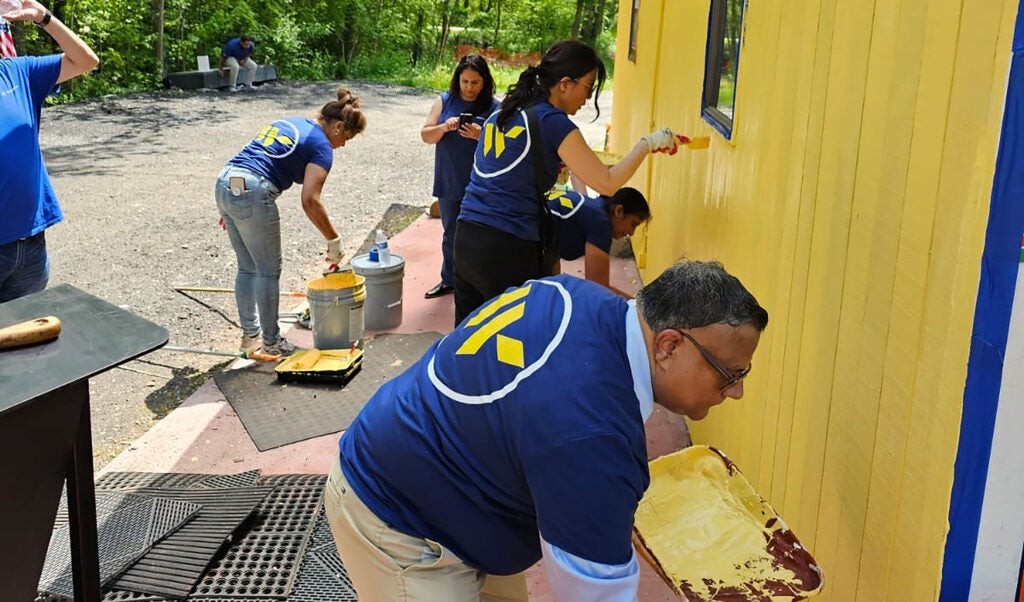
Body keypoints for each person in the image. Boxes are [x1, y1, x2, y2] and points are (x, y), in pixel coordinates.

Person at [324, 259, 768, 601]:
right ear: (669, 345)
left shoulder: (576, 294)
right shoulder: (592, 436)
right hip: (398, 517)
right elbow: (596, 595)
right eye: (728, 373)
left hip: (437, 467)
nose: (737, 392)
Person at [453, 39, 680, 324]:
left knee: (466, 343)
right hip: (506, 245)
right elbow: (608, 184)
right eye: (588, 86)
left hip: (466, 238)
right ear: (565, 84)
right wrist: (647, 144)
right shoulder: (552, 122)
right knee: (516, 345)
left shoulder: (506, 111)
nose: (588, 98)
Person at [215, 87, 366, 356]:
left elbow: (251, 160)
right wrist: (334, 240)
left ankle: (251, 337)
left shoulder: (290, 122)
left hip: (227, 182)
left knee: (248, 268)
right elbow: (310, 200)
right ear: (338, 126)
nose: (343, 144)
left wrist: (234, 204)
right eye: (347, 137)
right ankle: (273, 343)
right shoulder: (321, 147)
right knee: (268, 271)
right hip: (253, 190)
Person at [0, 0, 98, 303]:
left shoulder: (18, 71)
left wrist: (44, 17)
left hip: (30, 243)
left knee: (23, 341)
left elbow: (85, 60)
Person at [420, 53, 499, 300]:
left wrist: (481, 134)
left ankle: (480, 283)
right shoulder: (444, 101)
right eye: (465, 81)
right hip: (449, 178)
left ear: (484, 82)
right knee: (451, 233)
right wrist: (444, 127)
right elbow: (426, 135)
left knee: (482, 234)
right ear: (458, 79)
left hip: (482, 182)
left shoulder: (495, 107)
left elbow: (506, 145)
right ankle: (449, 280)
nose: (469, 88)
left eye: (475, 82)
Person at [546, 186, 651, 298]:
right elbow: (597, 288)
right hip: (530, 233)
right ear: (618, 211)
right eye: (633, 224)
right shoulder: (601, 223)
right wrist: (637, 308)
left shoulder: (594, 208)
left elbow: (552, 259)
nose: (631, 232)